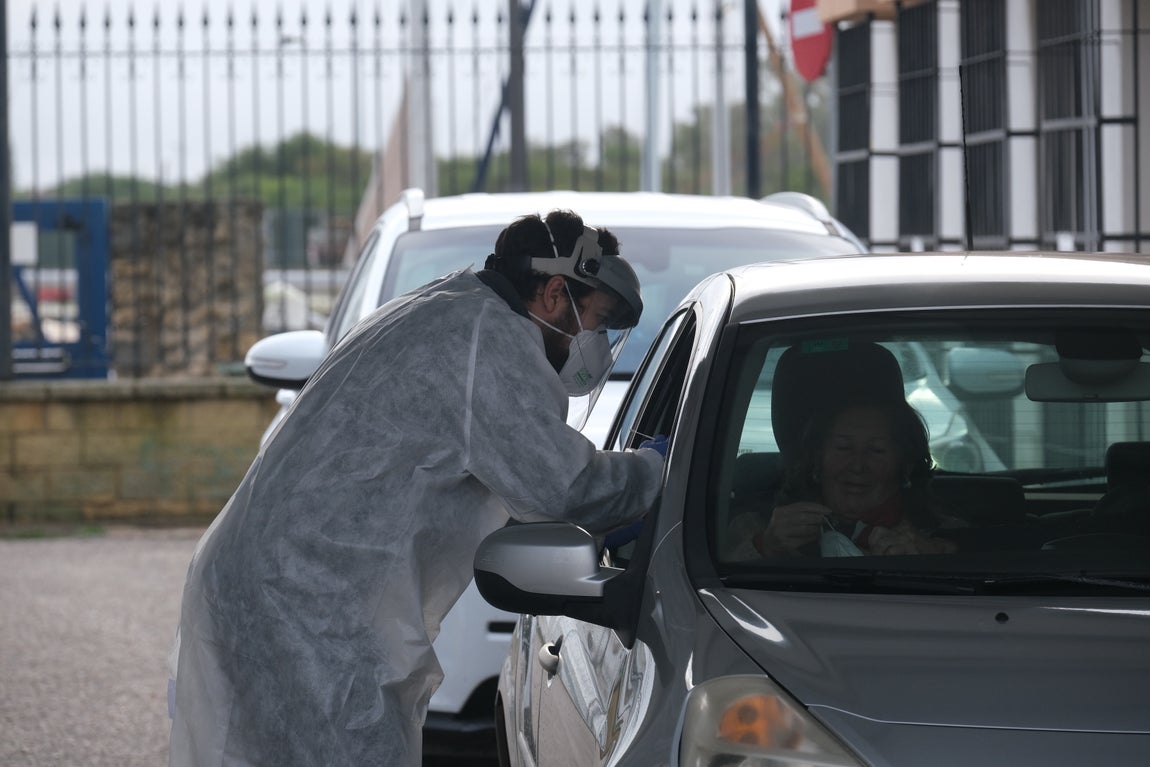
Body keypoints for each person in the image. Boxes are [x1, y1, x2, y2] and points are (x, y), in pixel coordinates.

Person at [166, 209, 666, 767]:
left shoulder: (450, 308)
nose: (593, 345)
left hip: (285, 585)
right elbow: (565, 487)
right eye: (595, 322)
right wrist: (657, 469)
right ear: (554, 292)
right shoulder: (487, 344)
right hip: (301, 603)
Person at [731, 395, 960, 558]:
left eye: (876, 450)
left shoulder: (943, 532)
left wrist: (933, 555)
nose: (858, 465)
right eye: (843, 448)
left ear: (905, 465)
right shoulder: (756, 525)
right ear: (818, 459)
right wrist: (767, 546)